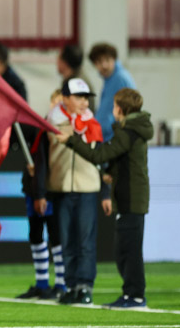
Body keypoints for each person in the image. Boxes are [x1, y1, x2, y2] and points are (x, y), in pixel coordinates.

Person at [56, 88, 152, 308]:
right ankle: (130, 294)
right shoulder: (131, 131)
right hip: (129, 196)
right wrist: (112, 173)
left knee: (130, 250)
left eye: (115, 105)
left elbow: (99, 154)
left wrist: (72, 140)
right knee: (124, 249)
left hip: (131, 198)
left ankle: (135, 295)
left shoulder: (128, 132)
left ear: (121, 108)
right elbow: (121, 160)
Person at [33, 77, 108, 305]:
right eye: (79, 97)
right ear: (65, 98)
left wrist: (105, 192)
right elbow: (42, 160)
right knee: (66, 241)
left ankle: (85, 285)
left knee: (84, 240)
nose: (84, 102)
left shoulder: (93, 124)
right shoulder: (51, 124)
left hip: (87, 189)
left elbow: (100, 161)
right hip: (61, 189)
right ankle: (71, 285)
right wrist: (40, 193)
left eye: (86, 98)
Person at [16, 89, 67, 299]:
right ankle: (42, 283)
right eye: (55, 103)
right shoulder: (39, 128)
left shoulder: (63, 130)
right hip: (33, 188)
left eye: (61, 104)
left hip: (52, 190)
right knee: (36, 235)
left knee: (56, 236)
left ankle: (62, 284)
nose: (57, 108)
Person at [88, 42, 137, 141]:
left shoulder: (120, 79)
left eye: (107, 60)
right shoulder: (110, 79)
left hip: (115, 141)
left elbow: (126, 113)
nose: (104, 65)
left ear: (114, 59)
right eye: (99, 61)